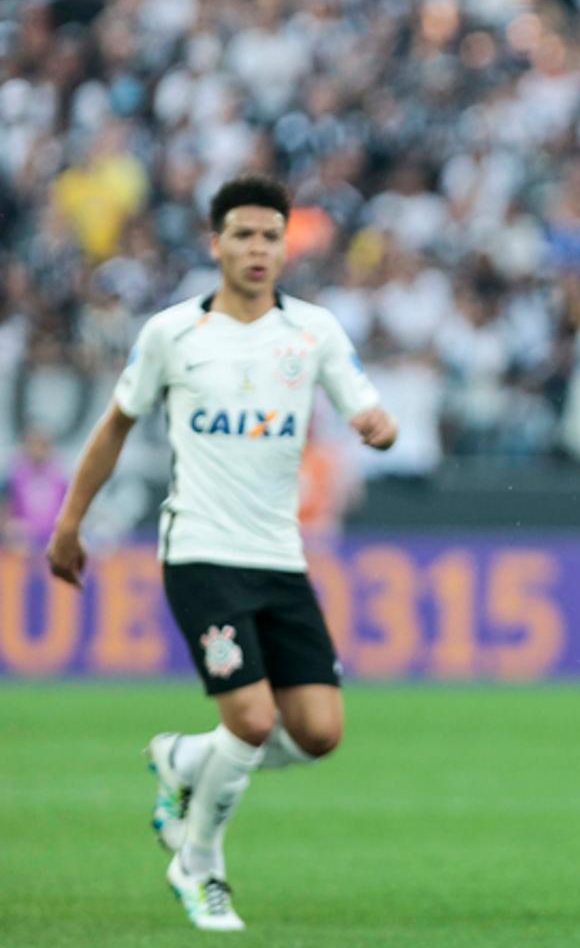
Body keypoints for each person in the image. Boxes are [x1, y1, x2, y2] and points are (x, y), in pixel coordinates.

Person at [45, 175, 399, 932]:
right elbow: (115, 426)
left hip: (280, 556)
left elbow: (364, 405)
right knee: (249, 716)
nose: (258, 248)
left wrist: (378, 427)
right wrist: (70, 523)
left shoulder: (314, 332)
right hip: (201, 551)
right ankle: (198, 863)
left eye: (271, 235)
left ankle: (182, 761)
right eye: (243, 234)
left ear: (284, 244)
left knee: (317, 733)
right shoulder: (173, 334)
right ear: (216, 244)